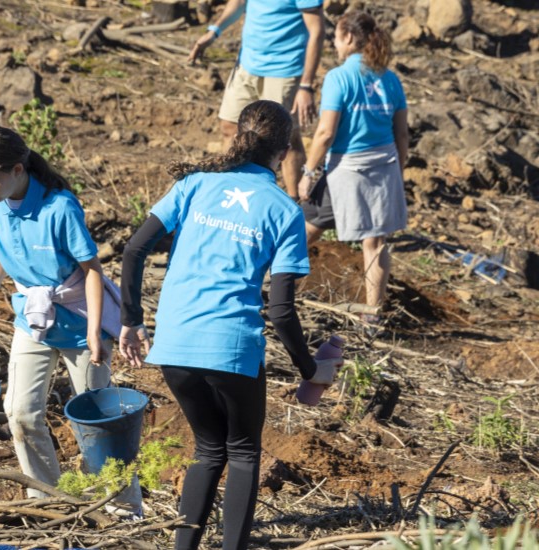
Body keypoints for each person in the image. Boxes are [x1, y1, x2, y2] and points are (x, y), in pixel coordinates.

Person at [119, 101, 343, 550]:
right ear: (284, 153)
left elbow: (133, 251)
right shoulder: (283, 211)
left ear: (238, 135)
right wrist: (310, 370)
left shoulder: (195, 184)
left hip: (176, 345)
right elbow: (280, 311)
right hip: (232, 349)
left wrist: (131, 322)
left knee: (207, 450)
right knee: (242, 453)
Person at [0, 125, 142, 516]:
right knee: (19, 413)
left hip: (77, 318)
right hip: (34, 318)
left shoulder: (60, 207)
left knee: (98, 422)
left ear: (18, 170)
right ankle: (49, 501)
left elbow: (91, 270)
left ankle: (120, 509)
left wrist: (93, 334)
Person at [298, 11, 409, 326]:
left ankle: (271, 284)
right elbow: (402, 134)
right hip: (384, 166)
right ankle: (372, 315)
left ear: (348, 37)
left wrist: (308, 172)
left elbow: (325, 133)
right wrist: (396, 174)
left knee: (305, 229)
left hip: (347, 171)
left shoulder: (338, 77)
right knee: (374, 242)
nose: (333, 43)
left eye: (335, 36)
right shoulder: (390, 78)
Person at [188, 0, 326, 199]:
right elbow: (238, 3)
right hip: (247, 65)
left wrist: (305, 85)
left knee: (287, 137)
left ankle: (294, 202)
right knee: (229, 127)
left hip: (284, 70)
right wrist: (214, 32)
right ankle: (228, 191)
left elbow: (317, 31)